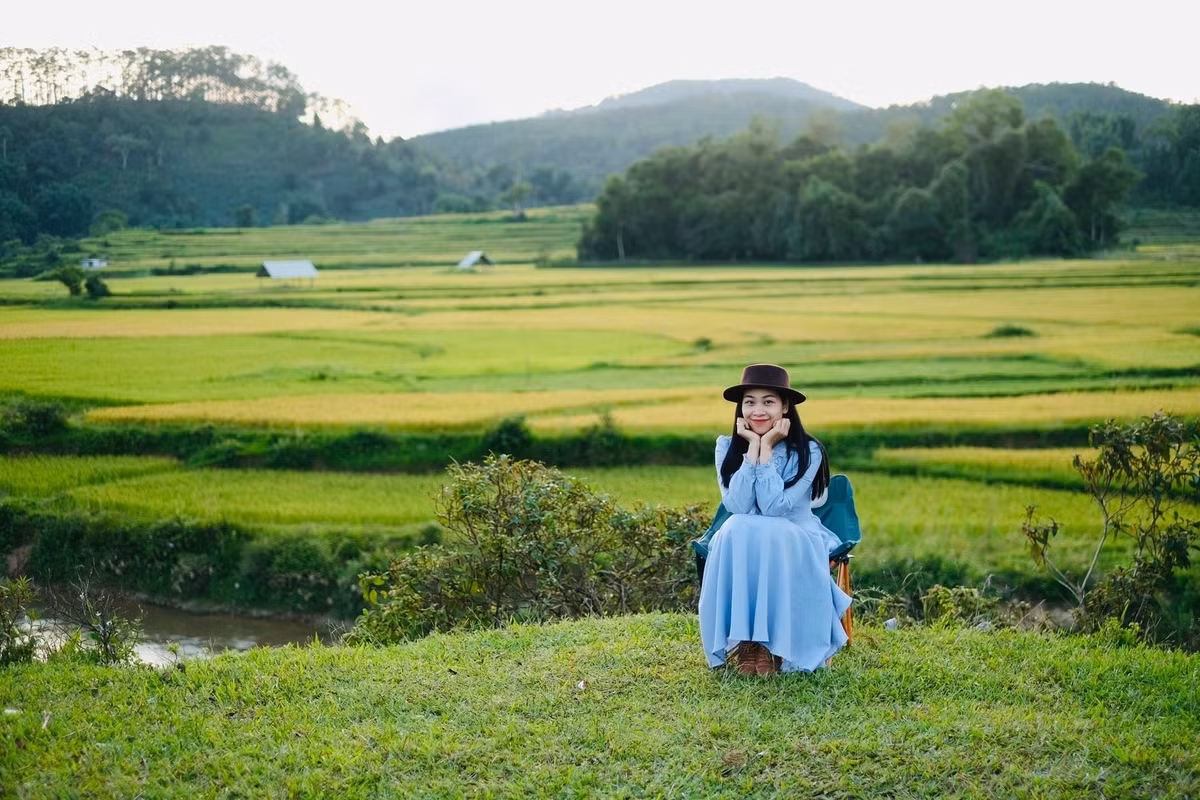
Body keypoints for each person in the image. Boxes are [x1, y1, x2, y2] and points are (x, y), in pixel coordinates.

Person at [697, 363, 852, 675]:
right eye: (750, 401)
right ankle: (747, 642)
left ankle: (769, 644)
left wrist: (765, 450)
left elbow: (774, 509)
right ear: (740, 408)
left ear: (785, 407)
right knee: (738, 525)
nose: (758, 410)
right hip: (747, 537)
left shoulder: (808, 451)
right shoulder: (726, 447)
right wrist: (751, 449)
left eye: (768, 401)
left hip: (796, 535)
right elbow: (738, 505)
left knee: (759, 529)